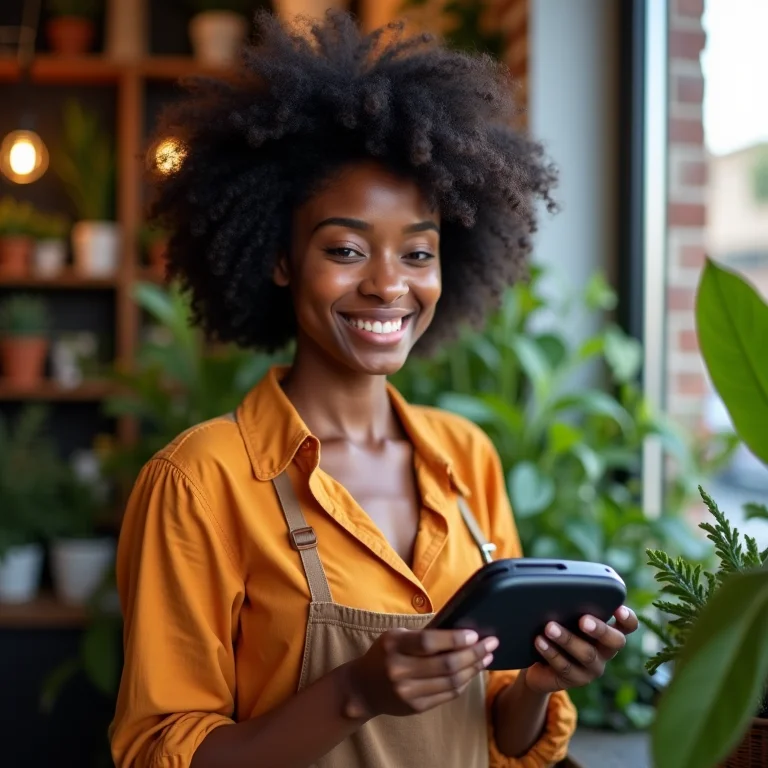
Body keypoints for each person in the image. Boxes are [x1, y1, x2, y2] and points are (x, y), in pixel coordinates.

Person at [110, 11, 638, 768]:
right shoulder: (200, 482)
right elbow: (162, 753)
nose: (390, 285)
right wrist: (352, 692)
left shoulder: (466, 459)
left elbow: (502, 739)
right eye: (346, 248)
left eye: (417, 251)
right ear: (281, 258)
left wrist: (537, 688)